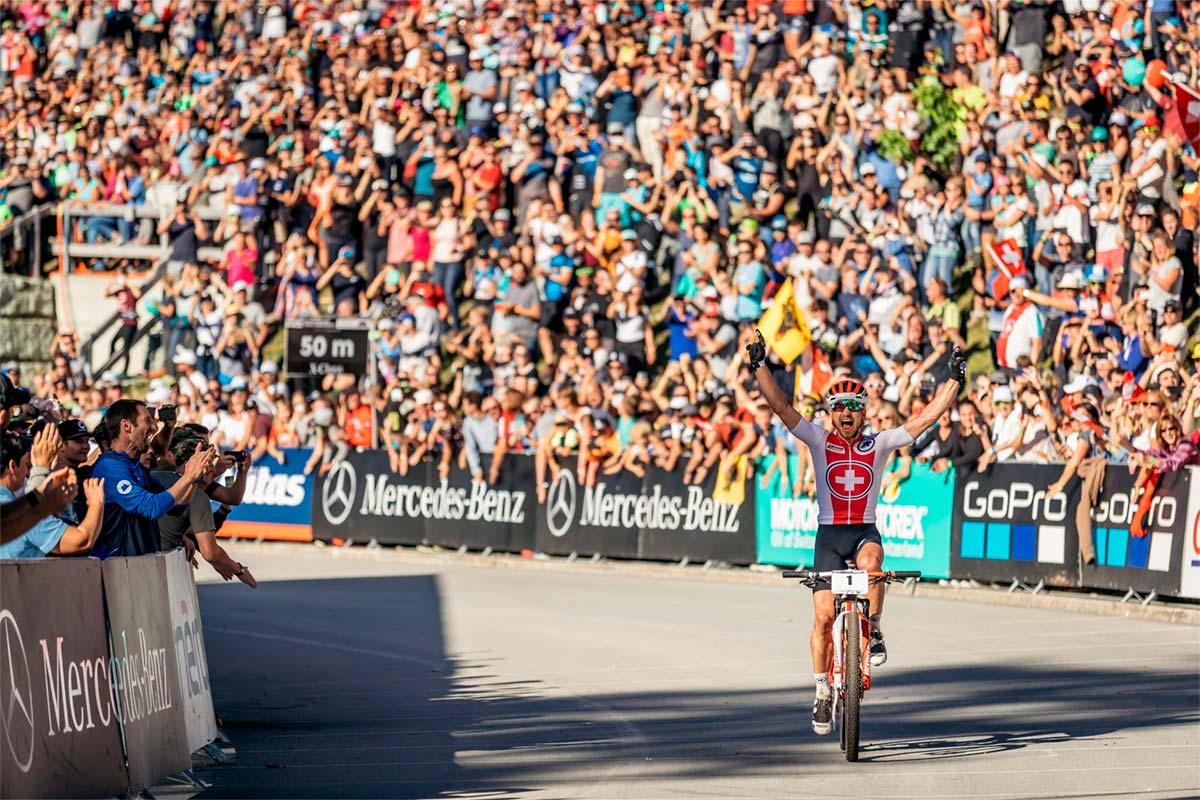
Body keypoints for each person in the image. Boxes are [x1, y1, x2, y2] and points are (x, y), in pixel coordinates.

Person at [748, 330, 965, 735]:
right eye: (839, 407)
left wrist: (954, 381)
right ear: (831, 414)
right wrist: (760, 366)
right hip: (828, 536)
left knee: (872, 566)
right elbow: (780, 406)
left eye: (853, 407)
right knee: (823, 618)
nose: (846, 413)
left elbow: (923, 419)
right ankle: (821, 691)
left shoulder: (879, 444)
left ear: (863, 413)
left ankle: (875, 625)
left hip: (863, 530)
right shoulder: (817, 439)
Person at [89, 399, 212, 558]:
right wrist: (188, 477)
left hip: (137, 565)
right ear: (126, 426)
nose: (154, 427)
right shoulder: (110, 468)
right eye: (147, 421)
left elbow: (175, 506)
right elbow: (151, 508)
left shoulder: (135, 467)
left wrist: (195, 478)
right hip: (114, 566)